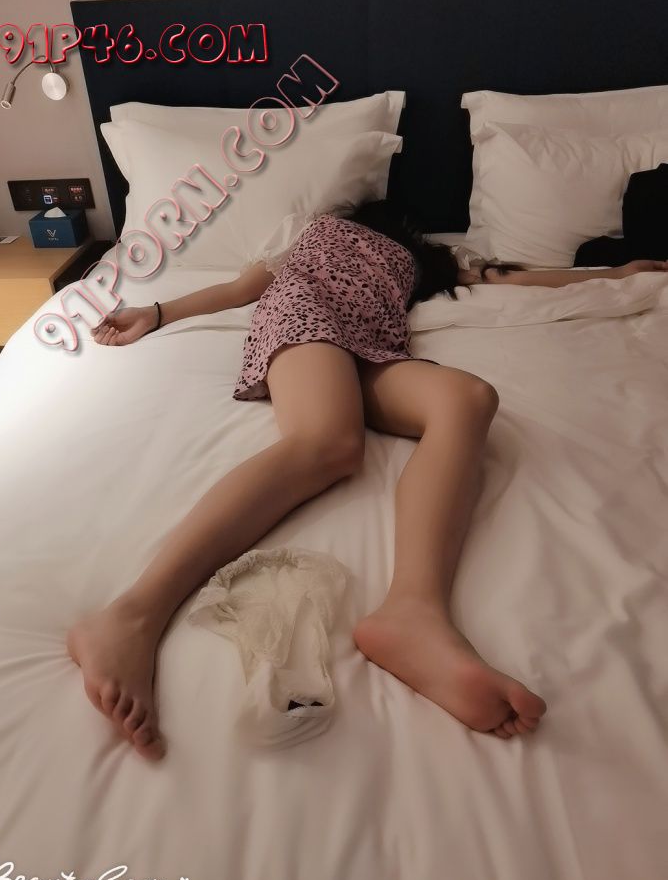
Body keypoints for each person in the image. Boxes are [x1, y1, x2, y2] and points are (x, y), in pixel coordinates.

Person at [67, 199, 668, 760]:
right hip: (307, 317)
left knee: (468, 399)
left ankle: (414, 613)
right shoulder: (317, 229)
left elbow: (508, 278)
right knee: (328, 441)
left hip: (374, 347)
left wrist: (618, 274)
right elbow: (242, 288)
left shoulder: (432, 263)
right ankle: (131, 615)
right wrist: (156, 313)